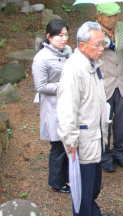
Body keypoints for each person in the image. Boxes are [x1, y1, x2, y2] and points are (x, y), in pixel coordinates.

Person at [57, 21, 110, 216]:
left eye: (103, 43)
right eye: (98, 44)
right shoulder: (74, 69)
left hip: (95, 136)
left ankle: (92, 212)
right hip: (82, 140)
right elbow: (66, 109)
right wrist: (70, 140)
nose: (102, 48)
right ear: (82, 45)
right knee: (83, 190)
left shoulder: (92, 64)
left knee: (94, 186)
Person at [95, 2, 123, 172]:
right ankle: (104, 155)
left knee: (122, 121)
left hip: (122, 82)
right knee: (104, 122)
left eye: (115, 16)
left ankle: (120, 152)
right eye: (109, 16)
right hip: (103, 84)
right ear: (99, 16)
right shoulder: (92, 30)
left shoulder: (122, 27)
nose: (113, 19)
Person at [31, 19, 72, 194]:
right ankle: (56, 182)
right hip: (53, 106)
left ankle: (69, 178)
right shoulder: (41, 58)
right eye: (59, 35)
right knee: (58, 145)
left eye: (65, 35)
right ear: (49, 37)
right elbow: (40, 86)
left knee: (69, 142)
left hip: (70, 104)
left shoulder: (69, 51)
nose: (63, 39)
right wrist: (63, 86)